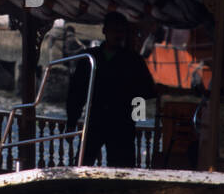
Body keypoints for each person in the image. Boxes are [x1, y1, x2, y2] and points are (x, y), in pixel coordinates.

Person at [66, 12, 158, 167]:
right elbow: (76, 92)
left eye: (121, 31)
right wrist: (71, 122)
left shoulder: (133, 60)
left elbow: (146, 91)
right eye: (114, 30)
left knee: (122, 169)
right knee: (82, 164)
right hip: (95, 120)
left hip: (122, 124)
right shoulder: (89, 58)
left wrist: (136, 120)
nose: (118, 35)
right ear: (105, 31)